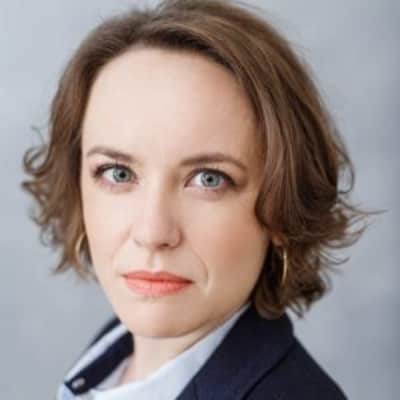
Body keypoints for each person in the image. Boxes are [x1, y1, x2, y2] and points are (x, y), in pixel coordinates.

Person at [21, 0, 370, 398]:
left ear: (282, 206)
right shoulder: (114, 357)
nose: (153, 232)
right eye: (118, 173)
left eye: (208, 179)